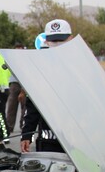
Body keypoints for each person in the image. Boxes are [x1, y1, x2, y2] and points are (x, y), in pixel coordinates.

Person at [20, 20, 74, 153]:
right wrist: (27, 134)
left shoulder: (81, 66)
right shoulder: (41, 69)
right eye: (53, 41)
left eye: (61, 40)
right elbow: (33, 104)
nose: (56, 45)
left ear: (71, 39)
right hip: (48, 143)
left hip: (77, 142)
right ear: (47, 41)